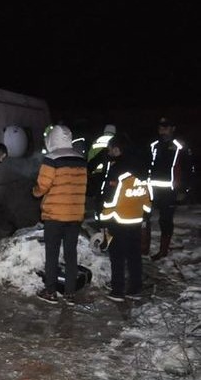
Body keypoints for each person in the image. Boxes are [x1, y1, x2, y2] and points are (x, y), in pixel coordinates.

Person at [32, 125, 87, 305]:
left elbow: (43, 186)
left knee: (52, 253)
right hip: (75, 214)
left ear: (52, 140)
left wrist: (35, 192)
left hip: (55, 215)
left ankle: (51, 292)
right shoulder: (81, 159)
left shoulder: (52, 158)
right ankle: (70, 293)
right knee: (71, 253)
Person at [99, 134, 151, 302]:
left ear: (117, 149)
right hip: (135, 219)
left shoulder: (118, 170)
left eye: (110, 149)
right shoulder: (141, 169)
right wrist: (144, 215)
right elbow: (147, 197)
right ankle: (135, 288)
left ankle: (118, 290)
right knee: (134, 256)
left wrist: (104, 219)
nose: (109, 152)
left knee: (117, 256)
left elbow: (110, 199)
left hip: (118, 219)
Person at [145, 117, 190, 260]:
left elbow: (188, 169)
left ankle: (163, 250)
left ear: (173, 128)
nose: (162, 129)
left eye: (166, 126)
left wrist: (183, 190)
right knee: (144, 218)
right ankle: (143, 248)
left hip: (169, 191)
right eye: (160, 127)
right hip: (151, 188)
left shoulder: (180, 146)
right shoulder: (154, 145)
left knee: (165, 220)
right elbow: (146, 165)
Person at [87, 124, 116, 221]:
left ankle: (99, 218)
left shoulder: (97, 141)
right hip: (111, 173)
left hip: (97, 174)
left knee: (99, 196)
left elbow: (90, 158)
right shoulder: (115, 141)